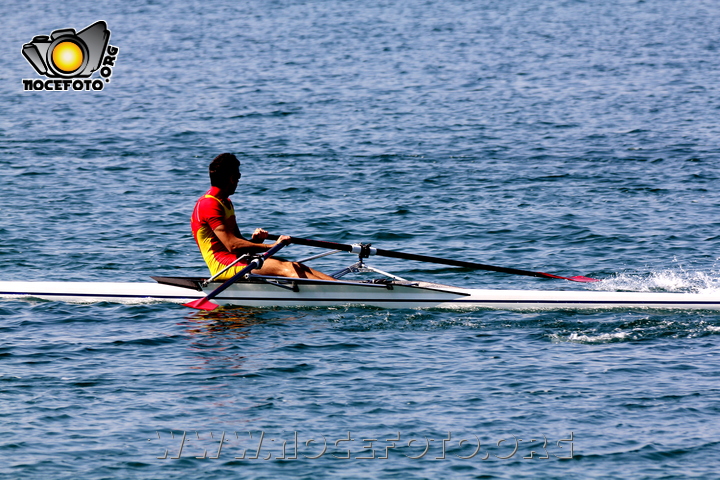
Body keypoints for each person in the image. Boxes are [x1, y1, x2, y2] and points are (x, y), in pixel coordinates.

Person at [191, 153, 336, 281]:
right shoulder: (209, 204)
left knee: (296, 266)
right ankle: (341, 293)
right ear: (231, 178)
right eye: (238, 176)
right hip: (223, 266)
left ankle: (344, 287)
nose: (239, 180)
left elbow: (238, 244)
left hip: (238, 259)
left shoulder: (226, 203)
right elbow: (232, 245)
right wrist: (271, 246)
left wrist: (254, 242)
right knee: (287, 268)